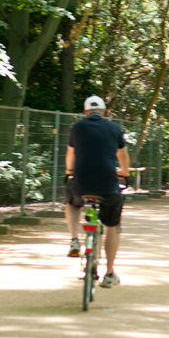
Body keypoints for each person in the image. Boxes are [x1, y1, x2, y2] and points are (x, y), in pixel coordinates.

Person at [65, 95, 130, 289]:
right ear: (104, 112)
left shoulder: (77, 127)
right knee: (113, 225)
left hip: (81, 182)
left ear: (85, 112)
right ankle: (109, 273)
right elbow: (123, 155)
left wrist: (70, 172)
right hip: (107, 184)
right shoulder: (114, 128)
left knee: (72, 201)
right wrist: (124, 172)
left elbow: (71, 155)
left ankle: (75, 240)